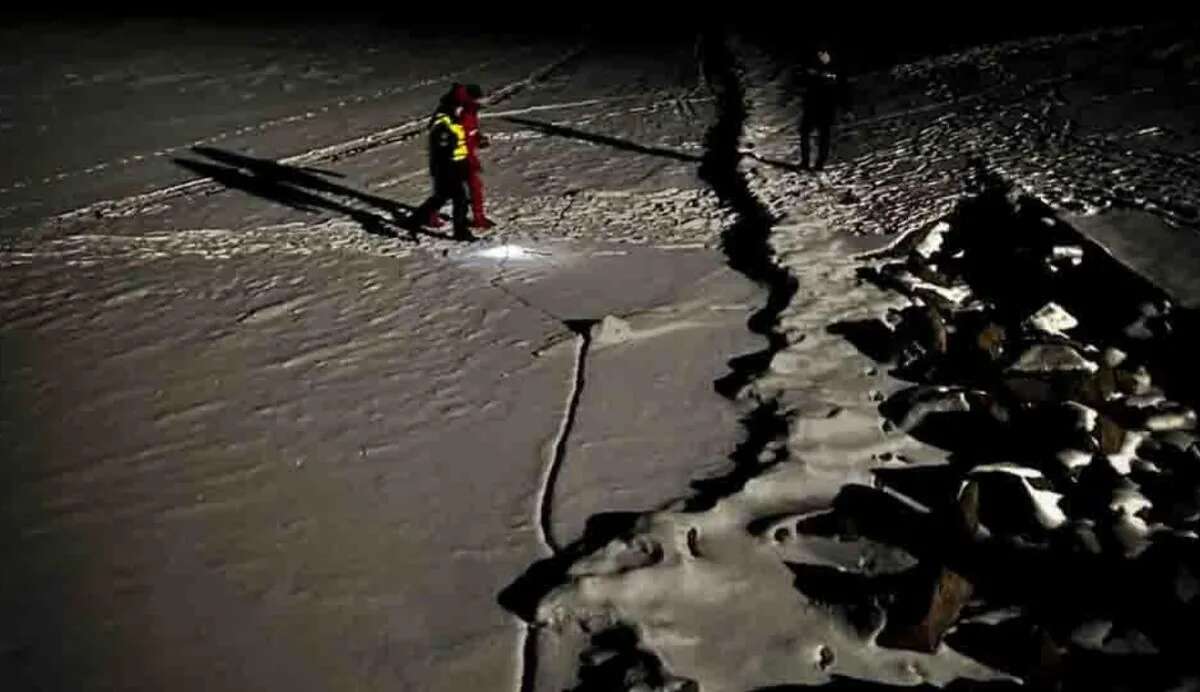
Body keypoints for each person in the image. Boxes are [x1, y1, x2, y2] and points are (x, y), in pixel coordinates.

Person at [416, 88, 474, 241]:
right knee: (460, 199)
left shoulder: (453, 117)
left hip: (458, 163)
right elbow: (442, 147)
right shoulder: (443, 121)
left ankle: (417, 218)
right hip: (447, 167)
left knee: (442, 197)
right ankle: (460, 231)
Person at [799, 47, 846, 171]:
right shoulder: (813, 68)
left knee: (824, 137)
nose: (820, 57)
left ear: (827, 54)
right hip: (812, 107)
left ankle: (819, 164)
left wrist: (846, 108)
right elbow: (803, 82)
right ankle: (805, 161)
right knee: (804, 133)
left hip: (826, 108)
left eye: (822, 54)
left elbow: (842, 88)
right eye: (818, 55)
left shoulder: (835, 68)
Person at [461, 84, 496, 230]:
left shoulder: (471, 113)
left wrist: (478, 138)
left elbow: (472, 132)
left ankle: (479, 218)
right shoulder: (461, 115)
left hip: (467, 156)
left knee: (474, 187)